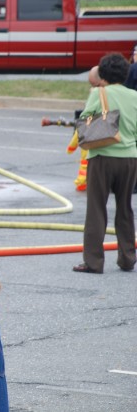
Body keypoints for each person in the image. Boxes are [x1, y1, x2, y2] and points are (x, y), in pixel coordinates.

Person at [73, 53, 137, 274]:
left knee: (97, 209)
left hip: (101, 156)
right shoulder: (133, 95)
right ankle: (128, 257)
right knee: (125, 208)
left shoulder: (98, 93)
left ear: (102, 73)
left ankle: (94, 261)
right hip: (129, 157)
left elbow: (86, 120)